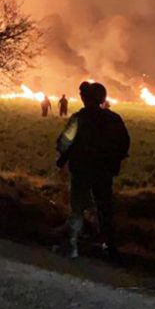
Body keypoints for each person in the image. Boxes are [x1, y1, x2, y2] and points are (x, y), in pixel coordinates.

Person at [55, 81, 130, 260]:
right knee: (105, 208)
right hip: (104, 172)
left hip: (82, 170)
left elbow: (63, 143)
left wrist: (65, 155)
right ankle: (110, 247)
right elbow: (124, 143)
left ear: (85, 99)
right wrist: (113, 161)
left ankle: (72, 246)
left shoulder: (79, 119)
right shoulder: (114, 119)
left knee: (77, 208)